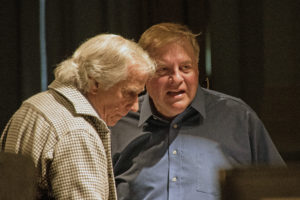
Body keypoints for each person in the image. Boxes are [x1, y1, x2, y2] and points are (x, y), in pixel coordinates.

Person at [110, 23, 285, 200]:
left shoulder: (238, 118)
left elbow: (279, 191)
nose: (177, 79)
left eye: (185, 67)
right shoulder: (117, 122)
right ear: (144, 75)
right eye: (163, 69)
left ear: (198, 69)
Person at [0, 33, 155, 199]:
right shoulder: (77, 133)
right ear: (95, 83)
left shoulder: (34, 105)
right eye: (129, 93)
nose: (134, 107)